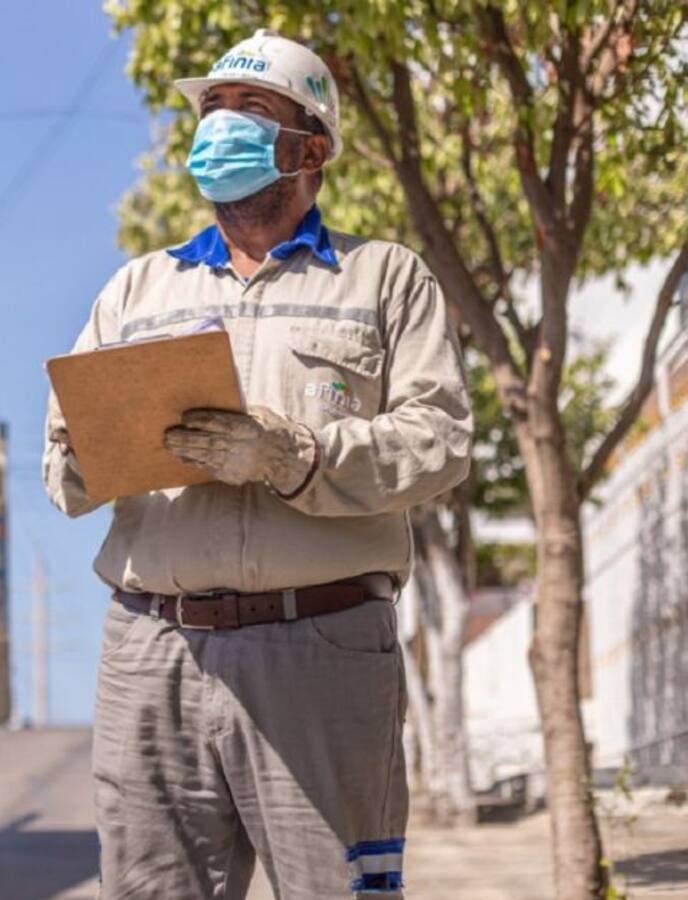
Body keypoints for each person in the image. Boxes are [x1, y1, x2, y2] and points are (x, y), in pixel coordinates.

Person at [42, 29, 472, 900]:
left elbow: (440, 440)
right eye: (213, 111)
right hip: (152, 650)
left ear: (310, 148)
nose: (219, 127)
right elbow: (63, 464)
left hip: (324, 644)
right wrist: (94, 452)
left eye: (249, 110)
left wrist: (294, 456)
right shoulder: (137, 291)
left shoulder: (384, 279)